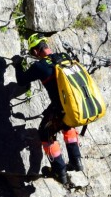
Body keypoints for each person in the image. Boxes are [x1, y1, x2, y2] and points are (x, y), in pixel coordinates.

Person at [12, 34, 84, 185]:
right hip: (72, 104)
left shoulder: (40, 66)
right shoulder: (64, 56)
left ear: (36, 51)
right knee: (66, 125)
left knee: (45, 134)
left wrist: (18, 64)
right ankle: (76, 161)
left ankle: (60, 171)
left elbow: (21, 80)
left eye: (33, 52)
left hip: (59, 107)